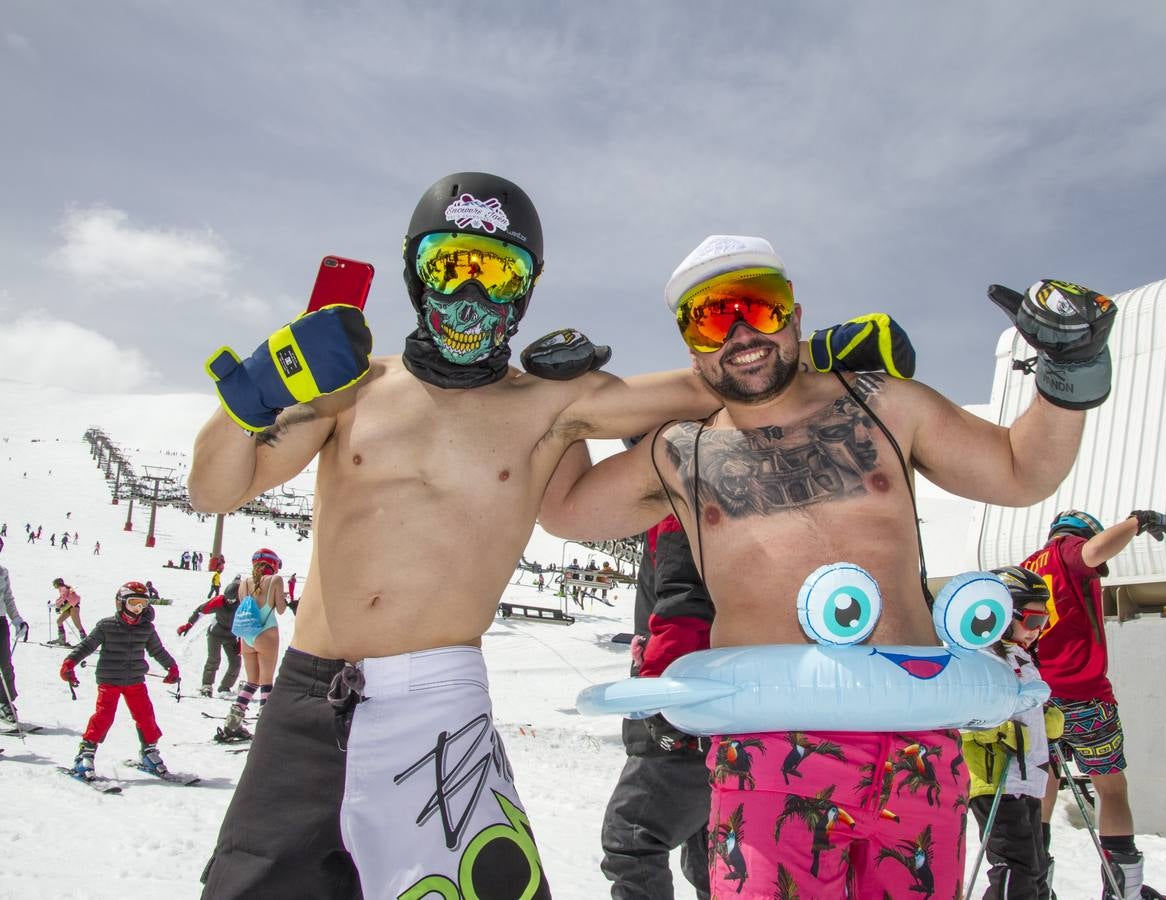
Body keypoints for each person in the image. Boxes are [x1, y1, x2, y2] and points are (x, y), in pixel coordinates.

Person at [189, 173, 824, 898]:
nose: (471, 298)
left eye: (496, 274)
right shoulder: (351, 387)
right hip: (309, 695)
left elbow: (710, 382)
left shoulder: (549, 403)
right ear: (413, 274)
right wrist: (257, 392)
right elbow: (216, 488)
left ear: (524, 291)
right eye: (449, 267)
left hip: (439, 708)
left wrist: (822, 355)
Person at [538, 235, 1116, 897]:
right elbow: (565, 512)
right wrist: (566, 404)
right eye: (711, 317)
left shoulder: (885, 405)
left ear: (794, 310)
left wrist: (1071, 373)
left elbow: (1021, 471)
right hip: (767, 757)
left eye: (759, 305)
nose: (741, 333)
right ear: (690, 342)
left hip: (914, 748)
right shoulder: (680, 451)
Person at [1020, 509, 1166, 900]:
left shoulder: (1030, 567)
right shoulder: (1068, 550)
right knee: (1110, 790)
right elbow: (1092, 552)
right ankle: (1121, 890)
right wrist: (1137, 523)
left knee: (1043, 786)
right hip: (1086, 697)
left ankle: (1036, 887)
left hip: (1040, 699)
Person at [601, 514, 714, 900]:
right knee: (711, 858)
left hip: (682, 709)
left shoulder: (675, 497)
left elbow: (683, 601)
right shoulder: (720, 486)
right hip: (717, 709)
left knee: (632, 837)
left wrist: (659, 695)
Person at [963, 566, 1063, 900]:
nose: (1038, 630)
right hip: (997, 782)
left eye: (1043, 622)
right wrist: (996, 730)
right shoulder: (980, 658)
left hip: (1027, 781)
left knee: (1034, 867)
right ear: (1003, 615)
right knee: (1016, 867)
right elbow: (964, 716)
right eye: (1032, 620)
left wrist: (1044, 721)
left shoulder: (1023, 657)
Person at [59, 581, 181, 778]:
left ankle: (149, 752)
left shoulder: (146, 628)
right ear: (120, 602)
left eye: (143, 604)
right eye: (133, 603)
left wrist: (171, 666)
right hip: (110, 679)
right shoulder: (106, 625)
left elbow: (157, 650)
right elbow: (88, 645)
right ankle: (85, 754)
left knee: (146, 715)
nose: (138, 608)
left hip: (135, 680)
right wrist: (70, 662)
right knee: (104, 716)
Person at [216, 550, 286, 741]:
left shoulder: (245, 583)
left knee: (252, 680)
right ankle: (267, 726)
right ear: (273, 564)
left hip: (246, 636)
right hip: (267, 632)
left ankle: (233, 721)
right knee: (266, 682)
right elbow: (280, 609)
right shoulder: (275, 580)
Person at [178, 574, 243, 698]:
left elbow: (245, 623)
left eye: (232, 600)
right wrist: (189, 624)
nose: (229, 602)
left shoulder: (242, 605)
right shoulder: (219, 601)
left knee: (235, 661)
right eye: (227, 599)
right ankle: (206, 685)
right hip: (215, 634)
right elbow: (200, 610)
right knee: (214, 659)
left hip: (231, 636)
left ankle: (225, 686)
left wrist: (241, 641)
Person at [0, 563, 30, 723]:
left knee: (5, 663)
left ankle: (5, 702)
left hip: (0, 620)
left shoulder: (3, 571)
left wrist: (17, 620)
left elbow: (8, 598)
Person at [51, 577, 86, 646]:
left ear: (57, 584)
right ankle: (61, 639)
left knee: (77, 624)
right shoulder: (65, 587)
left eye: (54, 584)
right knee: (59, 621)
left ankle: (84, 642)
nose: (54, 586)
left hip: (73, 607)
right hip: (70, 607)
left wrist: (58, 605)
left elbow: (63, 597)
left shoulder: (63, 588)